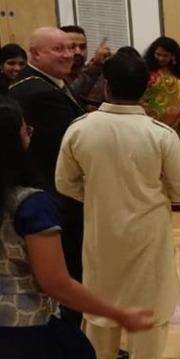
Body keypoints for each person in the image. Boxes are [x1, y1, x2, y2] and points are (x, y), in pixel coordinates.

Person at [55, 50, 180, 358]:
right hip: (149, 242)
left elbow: (64, 183)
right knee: (149, 323)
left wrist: (99, 196)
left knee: (98, 322)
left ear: (106, 84)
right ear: (145, 87)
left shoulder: (80, 129)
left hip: (101, 239)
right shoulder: (160, 135)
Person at [0, 97, 155, 358]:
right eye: (26, 130)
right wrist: (119, 314)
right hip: (23, 330)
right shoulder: (29, 205)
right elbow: (56, 283)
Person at [10, 27, 86, 327]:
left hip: (48, 195)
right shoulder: (39, 92)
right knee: (67, 274)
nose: (70, 54)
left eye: (72, 47)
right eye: (59, 49)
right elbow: (70, 143)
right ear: (35, 53)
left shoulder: (41, 84)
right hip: (56, 199)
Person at [141, 37, 180, 129]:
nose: (161, 58)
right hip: (151, 121)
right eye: (158, 54)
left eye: (165, 55)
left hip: (175, 122)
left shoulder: (177, 72)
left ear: (173, 56)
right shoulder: (146, 71)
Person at [61, 25, 111, 108]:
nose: (78, 52)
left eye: (82, 47)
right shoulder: (52, 77)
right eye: (72, 47)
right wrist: (95, 65)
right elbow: (69, 97)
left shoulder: (99, 75)